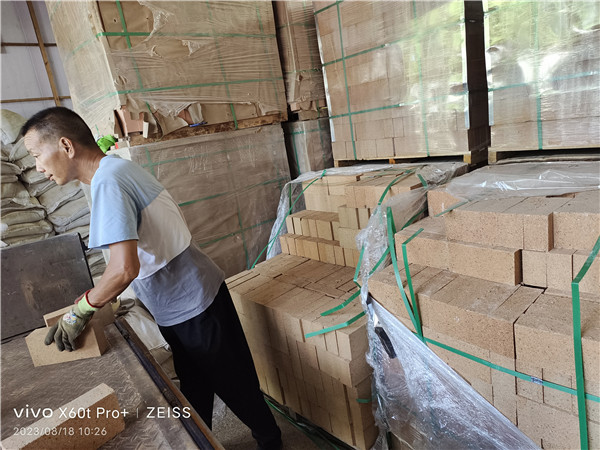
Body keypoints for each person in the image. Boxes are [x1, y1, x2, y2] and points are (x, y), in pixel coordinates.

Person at [21, 107, 282, 450]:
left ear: (66, 146)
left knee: (235, 386)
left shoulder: (109, 182)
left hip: (193, 304)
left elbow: (123, 269)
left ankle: (272, 442)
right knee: (195, 387)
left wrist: (80, 310)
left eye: (36, 155)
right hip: (184, 299)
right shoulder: (115, 169)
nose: (38, 167)